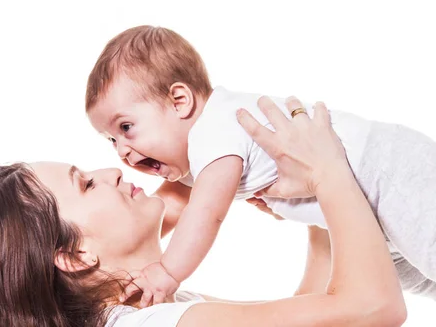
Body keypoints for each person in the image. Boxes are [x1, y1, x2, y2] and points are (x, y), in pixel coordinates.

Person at [0, 97, 406, 327]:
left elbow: (317, 318)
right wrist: (329, 171)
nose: (112, 170)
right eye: (85, 183)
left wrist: (313, 205)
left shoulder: (146, 314)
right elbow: (373, 309)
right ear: (75, 255)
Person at [85, 25, 436, 305]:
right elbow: (172, 207)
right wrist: (110, 249)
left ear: (180, 101)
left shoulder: (214, 132)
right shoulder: (197, 156)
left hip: (386, 172)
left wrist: (167, 271)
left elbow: (206, 214)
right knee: (426, 279)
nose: (122, 151)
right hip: (368, 211)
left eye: (126, 128)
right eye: (112, 140)